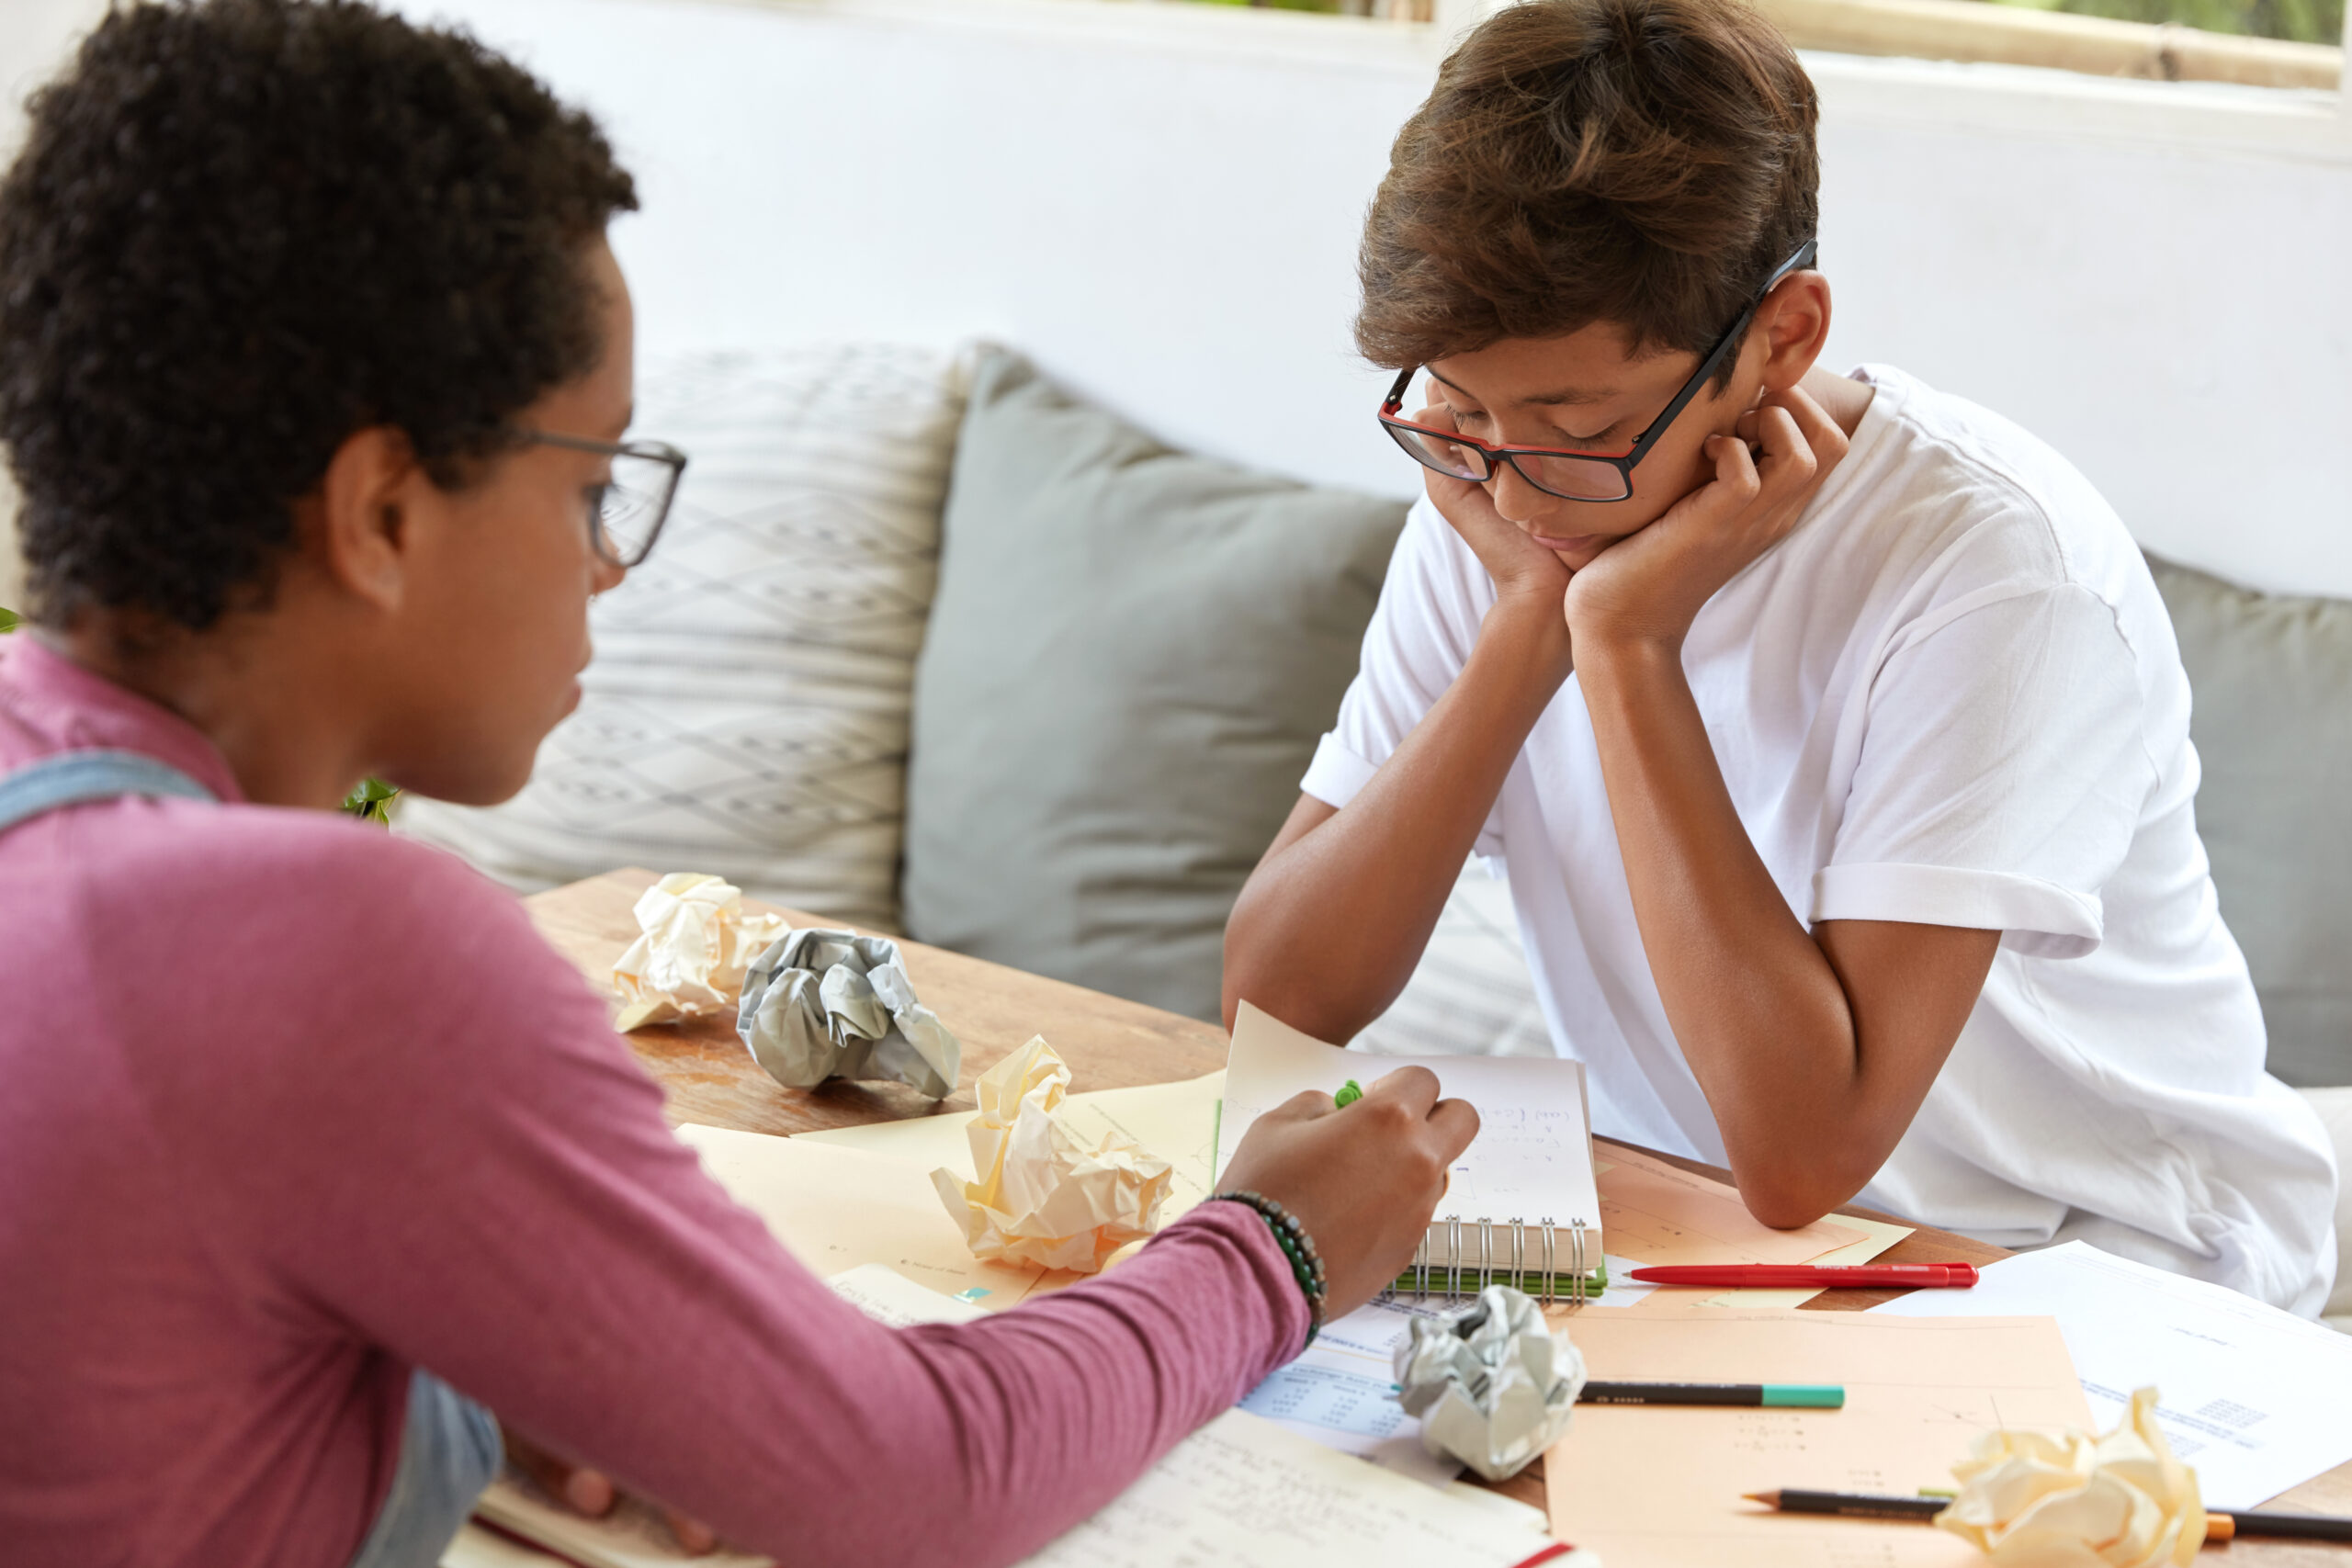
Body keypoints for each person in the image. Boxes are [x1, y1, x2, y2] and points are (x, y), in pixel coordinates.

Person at [0, 4, 1479, 1565]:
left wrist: (478, 1377)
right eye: (591, 481)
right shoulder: (340, 949)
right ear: (380, 513)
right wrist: (1273, 1248)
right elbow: (921, 1479)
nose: (609, 567)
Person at [1223, 0, 2335, 1313]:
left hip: (2090, 1269)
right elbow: (1279, 996)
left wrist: (1625, 645)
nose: (1516, 498)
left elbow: (1806, 1149)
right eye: (1458, 414)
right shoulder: (1507, 504)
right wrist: (1529, 629)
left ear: (1783, 337)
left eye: (1577, 423)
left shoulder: (1992, 578)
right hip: (1718, 1244)